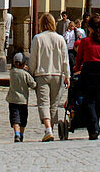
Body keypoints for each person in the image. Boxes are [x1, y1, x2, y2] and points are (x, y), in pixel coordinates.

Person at [28, 12, 70, 142]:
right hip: (57, 74)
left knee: (43, 103)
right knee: (54, 104)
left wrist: (31, 73)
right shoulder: (60, 39)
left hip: (42, 74)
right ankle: (50, 128)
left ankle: (48, 129)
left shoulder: (38, 38)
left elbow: (33, 58)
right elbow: (65, 59)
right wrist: (67, 75)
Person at [73, 14, 100, 140]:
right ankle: (94, 126)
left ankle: (94, 127)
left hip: (88, 73)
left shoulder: (85, 42)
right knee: (97, 100)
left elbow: (78, 61)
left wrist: (76, 70)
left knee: (89, 100)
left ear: (89, 28)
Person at [6, 52, 36, 142]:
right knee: (23, 119)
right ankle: (22, 134)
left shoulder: (12, 72)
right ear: (24, 63)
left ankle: (16, 134)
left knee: (15, 119)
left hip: (12, 100)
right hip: (23, 100)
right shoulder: (25, 74)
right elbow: (33, 84)